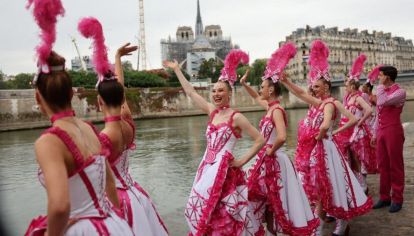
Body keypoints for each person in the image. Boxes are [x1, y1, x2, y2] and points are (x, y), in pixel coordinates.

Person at [25, 2, 133, 235]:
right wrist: (118, 223)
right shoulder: (88, 128)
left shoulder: (49, 141)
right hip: (112, 222)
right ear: (72, 93)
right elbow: (110, 184)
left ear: (38, 96)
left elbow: (60, 206)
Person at [78, 17, 169, 235]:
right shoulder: (127, 121)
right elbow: (120, 89)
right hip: (137, 197)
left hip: (118, 201)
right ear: (121, 98)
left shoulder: (102, 138)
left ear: (99, 102)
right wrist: (117, 58)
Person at [163, 49, 265, 235]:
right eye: (214, 90)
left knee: (224, 215)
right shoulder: (212, 111)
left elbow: (260, 140)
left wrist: (242, 161)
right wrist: (177, 69)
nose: (216, 94)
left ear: (229, 94)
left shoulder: (237, 117)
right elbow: (190, 92)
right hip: (206, 169)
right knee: (204, 211)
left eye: (221, 91)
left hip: (225, 174)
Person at [281, 40, 372, 236]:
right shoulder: (316, 103)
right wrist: (286, 81)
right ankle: (334, 223)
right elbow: (300, 93)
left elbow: (338, 120)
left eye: (316, 86)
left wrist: (328, 131)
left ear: (326, 88)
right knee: (322, 188)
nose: (312, 89)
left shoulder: (330, 103)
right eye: (312, 86)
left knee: (330, 187)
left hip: (325, 151)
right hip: (314, 150)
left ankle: (331, 225)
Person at [241, 42, 319, 236]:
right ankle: (271, 232)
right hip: (266, 158)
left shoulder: (277, 110)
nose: (260, 89)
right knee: (264, 198)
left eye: (262, 87)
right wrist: (243, 84)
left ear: (271, 90)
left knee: (279, 198)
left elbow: (283, 137)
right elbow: (255, 97)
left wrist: (270, 150)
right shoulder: (270, 108)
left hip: (275, 159)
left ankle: (280, 230)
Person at [334, 54, 376, 194]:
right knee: (350, 157)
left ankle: (363, 185)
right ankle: (356, 184)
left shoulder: (358, 97)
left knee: (357, 157)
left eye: (346, 83)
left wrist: (360, 122)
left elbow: (369, 110)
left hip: (356, 132)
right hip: (347, 131)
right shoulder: (348, 98)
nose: (344, 84)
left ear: (352, 85)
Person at [371, 66, 406, 213]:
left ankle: (397, 198)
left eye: (381, 75)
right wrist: (374, 134)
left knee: (395, 165)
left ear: (388, 77)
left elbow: (382, 102)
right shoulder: (383, 91)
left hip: (393, 130)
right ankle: (385, 197)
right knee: (383, 165)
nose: (379, 78)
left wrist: (380, 87)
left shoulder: (400, 92)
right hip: (382, 131)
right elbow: (378, 114)